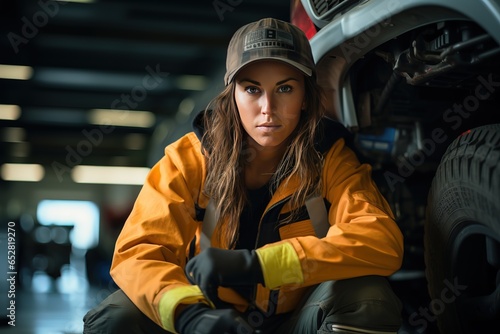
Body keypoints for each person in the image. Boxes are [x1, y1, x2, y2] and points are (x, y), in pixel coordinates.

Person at [83, 18, 404, 334]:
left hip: (295, 320)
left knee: (368, 299)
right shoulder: (188, 160)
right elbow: (138, 252)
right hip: (208, 319)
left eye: (285, 88)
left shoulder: (330, 158)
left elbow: (380, 240)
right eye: (252, 89)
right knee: (114, 317)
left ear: (305, 96)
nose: (268, 107)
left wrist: (259, 265)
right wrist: (189, 315)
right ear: (232, 95)